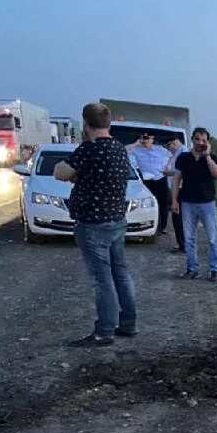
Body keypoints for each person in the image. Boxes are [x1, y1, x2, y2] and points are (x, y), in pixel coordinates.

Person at [53, 102, 136, 347]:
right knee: (121, 273)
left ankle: (104, 331)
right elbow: (101, 175)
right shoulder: (119, 149)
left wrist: (76, 175)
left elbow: (60, 172)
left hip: (93, 225)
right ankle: (129, 323)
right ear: (108, 123)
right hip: (117, 220)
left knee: (103, 280)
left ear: (86, 124)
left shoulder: (89, 149)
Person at [171, 128, 217, 281]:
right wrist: (174, 200)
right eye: (197, 139)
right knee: (189, 239)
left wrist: (207, 157)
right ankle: (192, 268)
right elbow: (176, 180)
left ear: (208, 142)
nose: (200, 142)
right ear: (192, 140)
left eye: (204, 140)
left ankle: (215, 270)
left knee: (213, 238)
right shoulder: (183, 158)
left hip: (207, 203)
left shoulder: (212, 158)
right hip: (187, 202)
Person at [126, 133, 172, 236]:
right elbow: (123, 150)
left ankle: (162, 227)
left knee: (163, 204)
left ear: (152, 139)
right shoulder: (137, 150)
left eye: (147, 138)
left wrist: (168, 166)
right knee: (148, 203)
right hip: (147, 181)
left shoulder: (160, 149)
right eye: (143, 138)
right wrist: (135, 143)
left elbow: (173, 155)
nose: (145, 140)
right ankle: (147, 225)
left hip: (160, 179)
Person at [162, 136, 188, 253]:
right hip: (175, 189)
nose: (168, 149)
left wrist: (168, 173)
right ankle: (181, 244)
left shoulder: (183, 153)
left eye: (169, 146)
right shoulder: (176, 154)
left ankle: (184, 245)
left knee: (179, 218)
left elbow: (182, 171)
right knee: (176, 217)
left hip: (181, 189)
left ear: (173, 143)